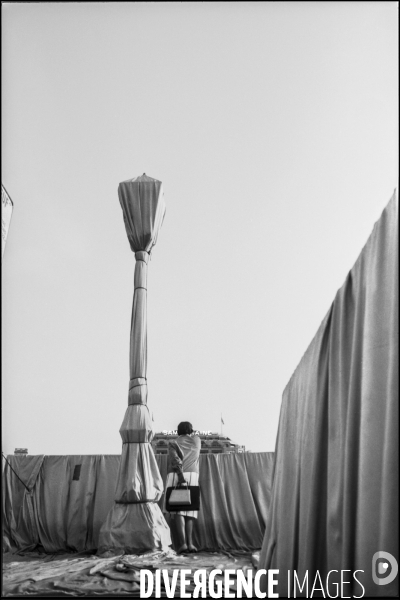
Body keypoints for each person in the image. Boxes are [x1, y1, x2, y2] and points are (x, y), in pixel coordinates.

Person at [164, 421, 201, 554]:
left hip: (177, 476)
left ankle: (183, 544)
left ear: (178, 431)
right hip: (193, 476)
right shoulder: (197, 441)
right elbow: (194, 435)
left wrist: (180, 477)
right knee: (190, 511)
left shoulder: (173, 443)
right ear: (191, 430)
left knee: (178, 511)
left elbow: (175, 460)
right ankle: (191, 544)